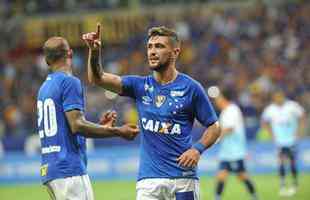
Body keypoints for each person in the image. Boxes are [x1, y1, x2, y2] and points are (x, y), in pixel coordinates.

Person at [82, 24, 221, 200]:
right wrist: (94, 52)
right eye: (150, 47)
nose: (152, 51)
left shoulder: (191, 88)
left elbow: (214, 127)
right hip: (149, 181)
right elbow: (97, 78)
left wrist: (197, 150)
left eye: (159, 46)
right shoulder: (139, 86)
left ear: (175, 52)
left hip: (183, 178)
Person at [37, 36, 139, 200]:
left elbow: (67, 127)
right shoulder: (69, 82)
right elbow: (76, 125)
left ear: (47, 61)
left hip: (50, 170)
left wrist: (101, 127)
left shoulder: (44, 88)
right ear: (70, 54)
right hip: (69, 169)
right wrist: (118, 131)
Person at [208, 86, 258, 200]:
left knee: (242, 176)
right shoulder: (225, 112)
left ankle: (255, 196)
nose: (216, 101)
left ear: (223, 98)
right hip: (227, 151)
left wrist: (215, 139)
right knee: (221, 176)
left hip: (235, 151)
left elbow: (229, 129)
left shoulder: (232, 110)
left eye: (218, 98)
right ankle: (217, 198)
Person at [261, 88, 306, 196]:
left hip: (291, 140)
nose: (278, 99)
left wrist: (299, 132)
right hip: (279, 141)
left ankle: (295, 184)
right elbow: (264, 122)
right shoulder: (270, 109)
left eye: (279, 96)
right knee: (281, 161)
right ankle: (282, 185)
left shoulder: (292, 106)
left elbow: (302, 116)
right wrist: (271, 134)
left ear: (283, 96)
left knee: (292, 161)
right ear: (274, 98)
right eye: (276, 97)